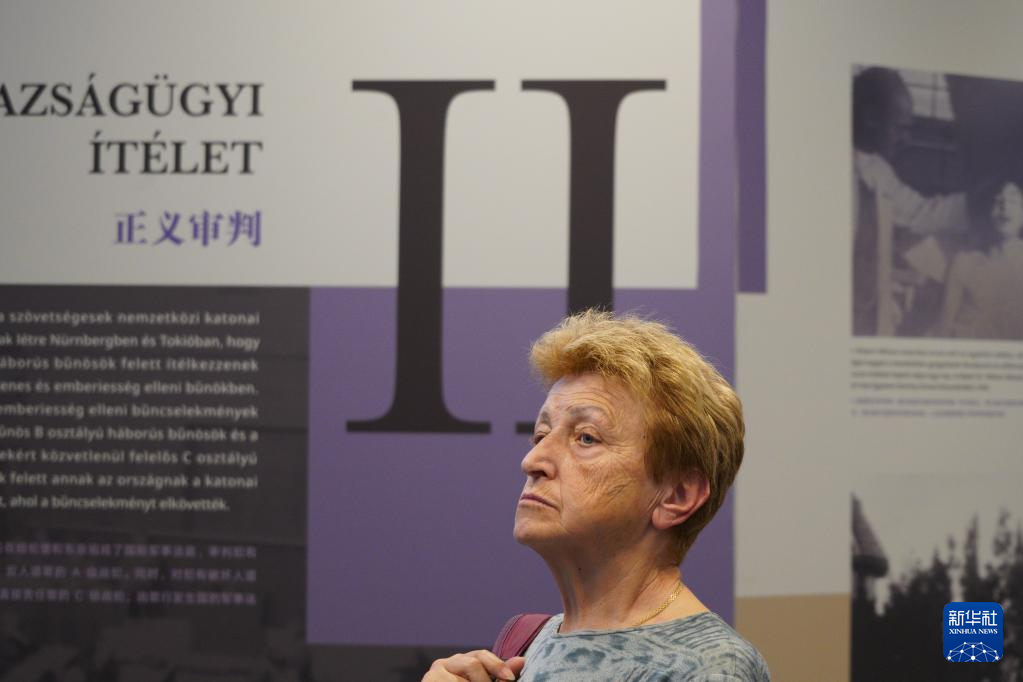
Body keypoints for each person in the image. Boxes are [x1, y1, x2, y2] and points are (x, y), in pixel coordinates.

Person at [423, 310, 769, 681]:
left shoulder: (711, 667)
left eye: (586, 438)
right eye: (541, 435)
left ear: (677, 496)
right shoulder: (528, 643)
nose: (532, 460)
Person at [852, 67, 967, 335]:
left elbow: (920, 214)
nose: (907, 139)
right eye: (899, 127)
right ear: (870, 117)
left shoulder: (877, 169)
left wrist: (983, 202)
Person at [938, 179, 1023, 339]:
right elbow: (944, 327)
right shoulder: (964, 261)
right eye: (997, 201)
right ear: (987, 212)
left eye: (1013, 201)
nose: (1005, 207)